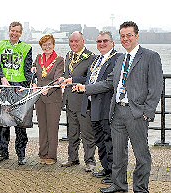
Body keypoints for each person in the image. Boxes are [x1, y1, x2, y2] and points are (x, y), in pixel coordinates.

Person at [73, 21, 163, 193]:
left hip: (136, 113)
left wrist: (147, 112)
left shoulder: (151, 56)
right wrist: (86, 88)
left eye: (129, 35)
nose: (126, 38)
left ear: (137, 36)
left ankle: (141, 188)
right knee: (118, 154)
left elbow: (156, 87)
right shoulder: (121, 58)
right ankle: (119, 185)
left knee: (141, 155)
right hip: (117, 111)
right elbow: (108, 83)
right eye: (123, 36)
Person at [80, 31, 122, 183]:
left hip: (107, 106)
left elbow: (109, 83)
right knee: (100, 140)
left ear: (112, 43)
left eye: (105, 41)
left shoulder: (118, 59)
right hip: (93, 106)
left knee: (110, 141)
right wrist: (71, 79)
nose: (102, 44)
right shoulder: (96, 59)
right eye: (99, 41)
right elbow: (89, 78)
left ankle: (114, 174)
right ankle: (106, 168)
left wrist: (86, 89)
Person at [0, 21, 33, 165]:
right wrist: (1, 78)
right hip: (4, 88)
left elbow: (28, 69)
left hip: (19, 88)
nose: (14, 33)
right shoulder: (0, 45)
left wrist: (27, 87)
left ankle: (21, 154)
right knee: (3, 123)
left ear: (21, 33)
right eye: (12, 30)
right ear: (9, 30)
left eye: (17, 31)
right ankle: (3, 153)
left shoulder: (26, 48)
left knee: (20, 124)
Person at [60, 31, 96, 172]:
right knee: (72, 133)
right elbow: (67, 74)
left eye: (76, 41)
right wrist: (62, 79)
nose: (74, 44)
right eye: (71, 42)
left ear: (83, 41)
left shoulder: (91, 57)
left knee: (87, 134)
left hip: (83, 101)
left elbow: (91, 79)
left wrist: (73, 80)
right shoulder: (69, 56)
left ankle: (90, 161)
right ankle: (73, 158)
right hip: (70, 100)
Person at [32, 35, 64, 165]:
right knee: (42, 126)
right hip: (40, 97)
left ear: (53, 44)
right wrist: (33, 83)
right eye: (44, 45)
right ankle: (43, 153)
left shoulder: (59, 60)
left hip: (53, 97)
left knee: (52, 127)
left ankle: (51, 155)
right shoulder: (38, 58)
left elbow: (58, 79)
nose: (47, 47)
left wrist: (48, 89)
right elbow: (34, 75)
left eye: (49, 44)